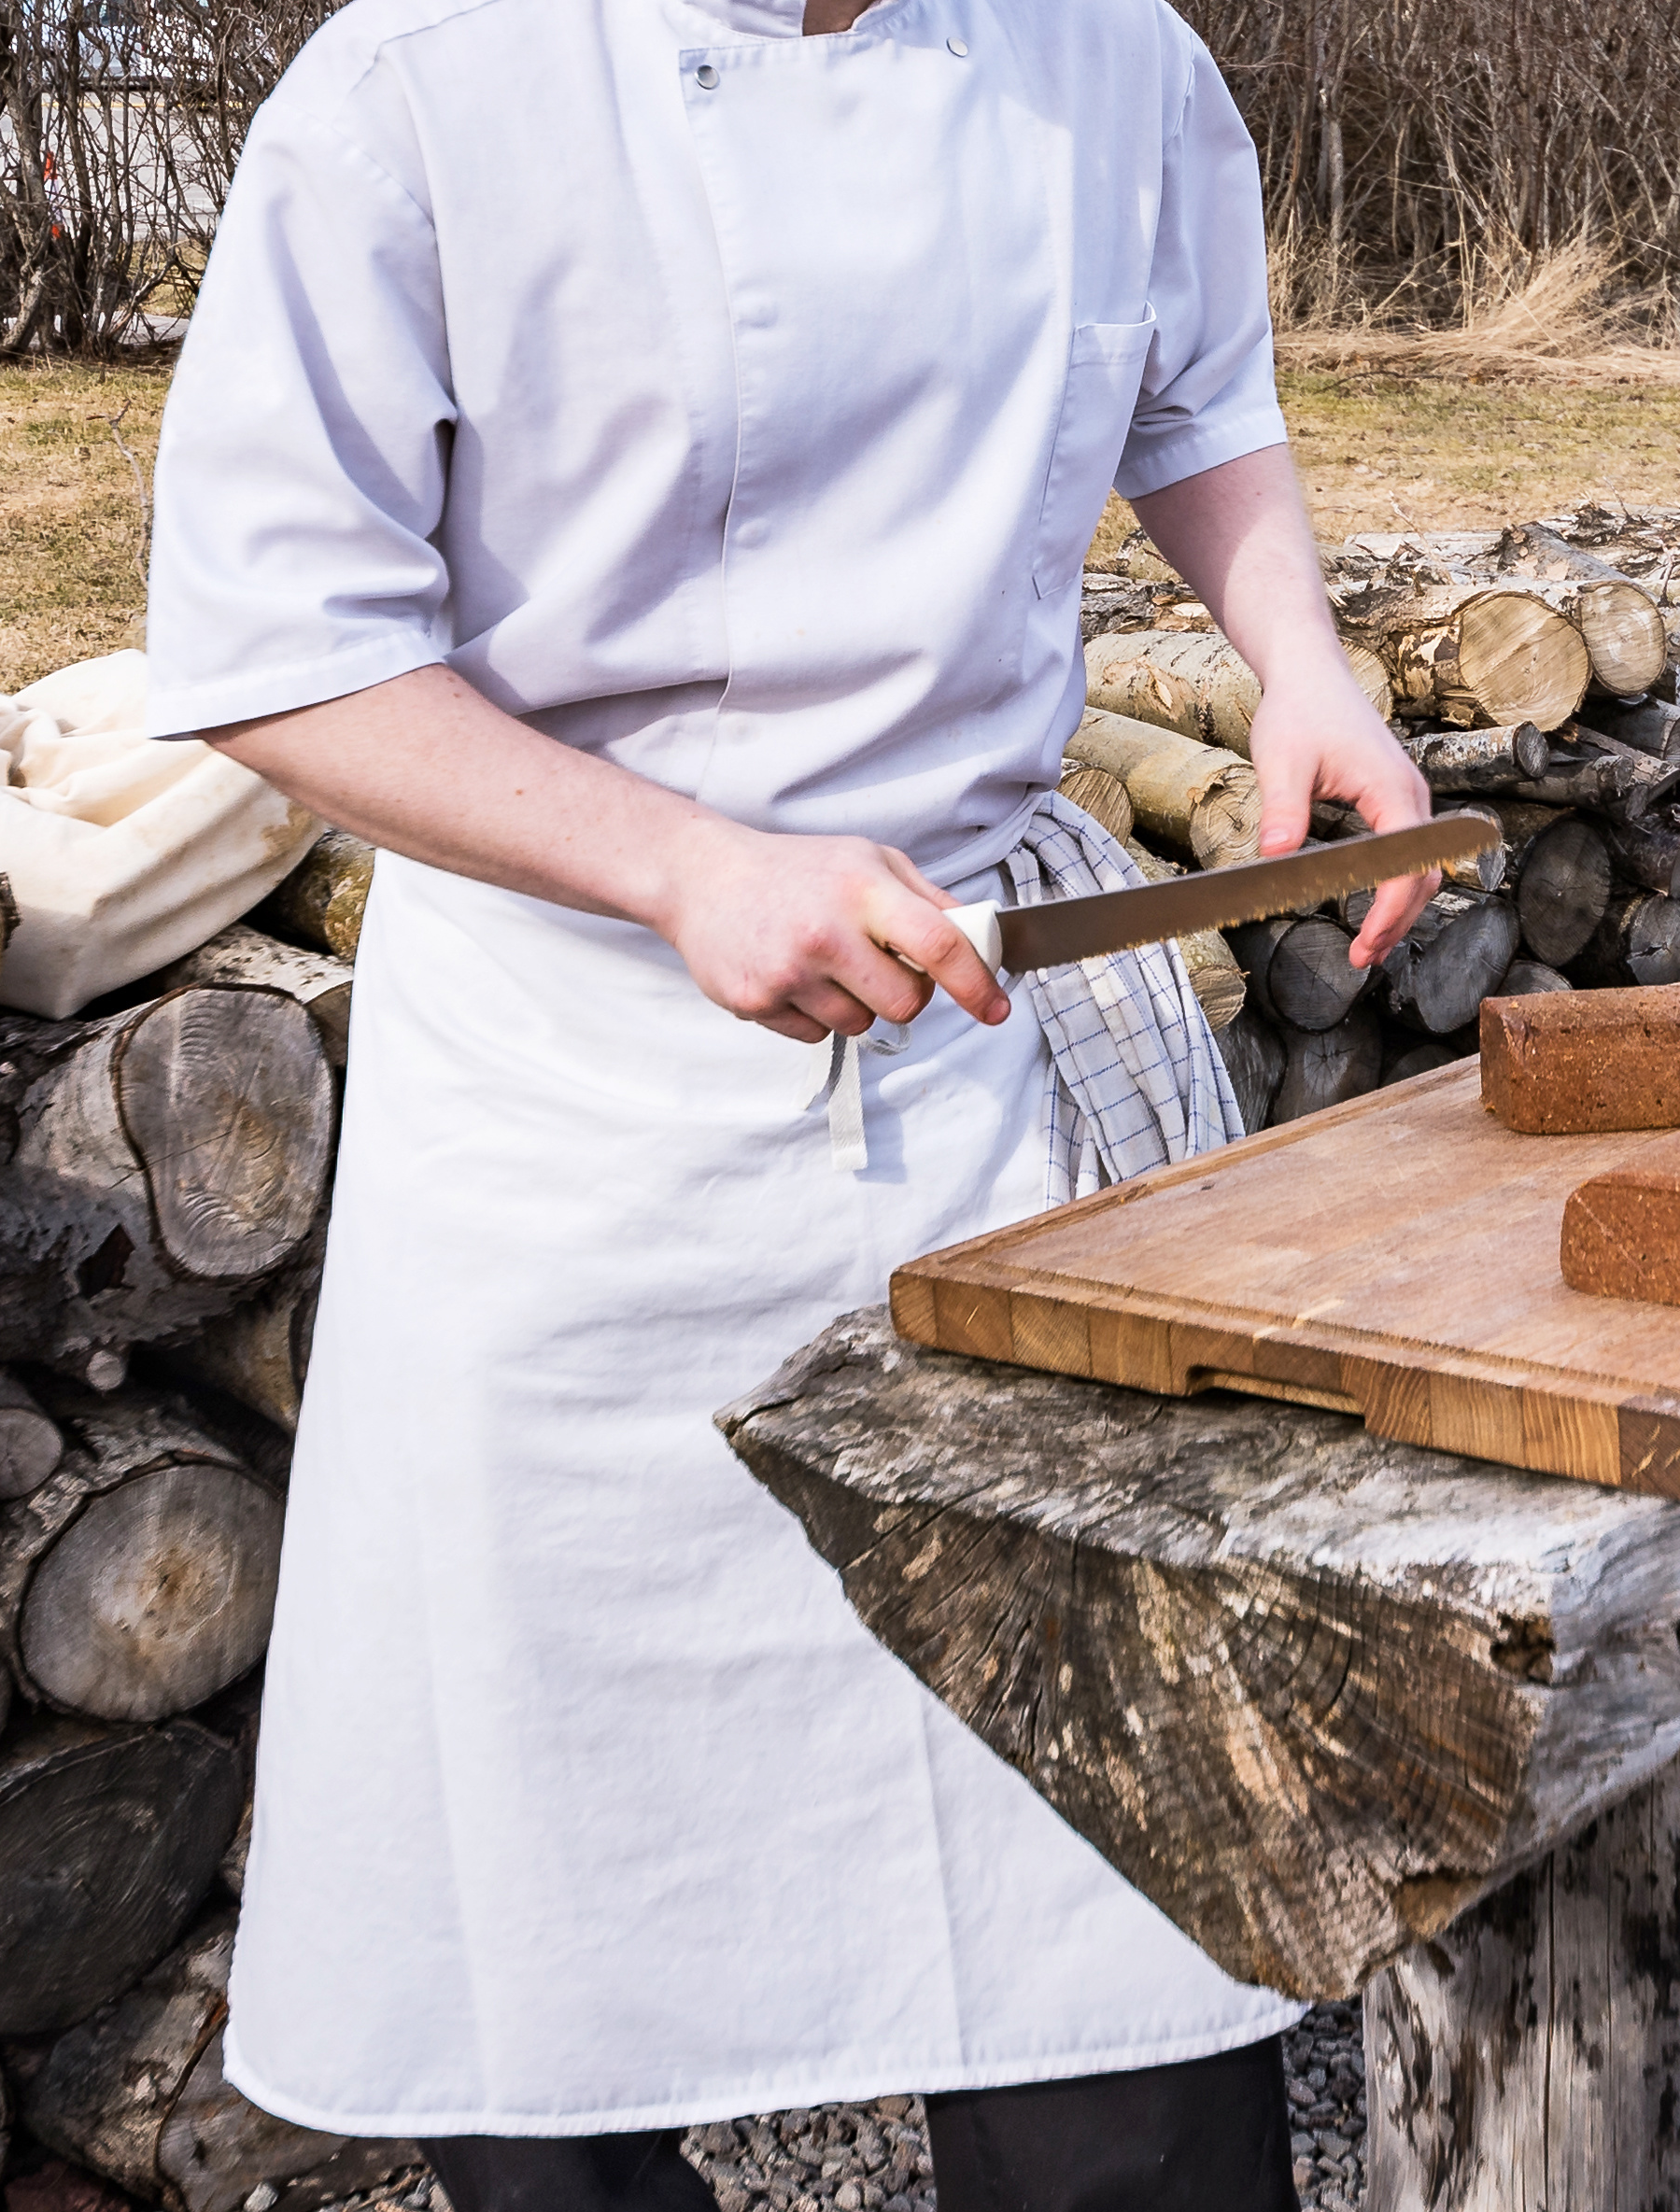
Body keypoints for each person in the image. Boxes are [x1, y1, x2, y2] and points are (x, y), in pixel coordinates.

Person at [144, 0, 1431, 2196]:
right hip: (567, 1112)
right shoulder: (420, 83)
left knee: (1111, 1991)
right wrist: (677, 866)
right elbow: (272, 636)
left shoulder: (1108, 53)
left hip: (987, 1111)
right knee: (549, 2044)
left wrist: (1293, 652)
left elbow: (1194, 387)